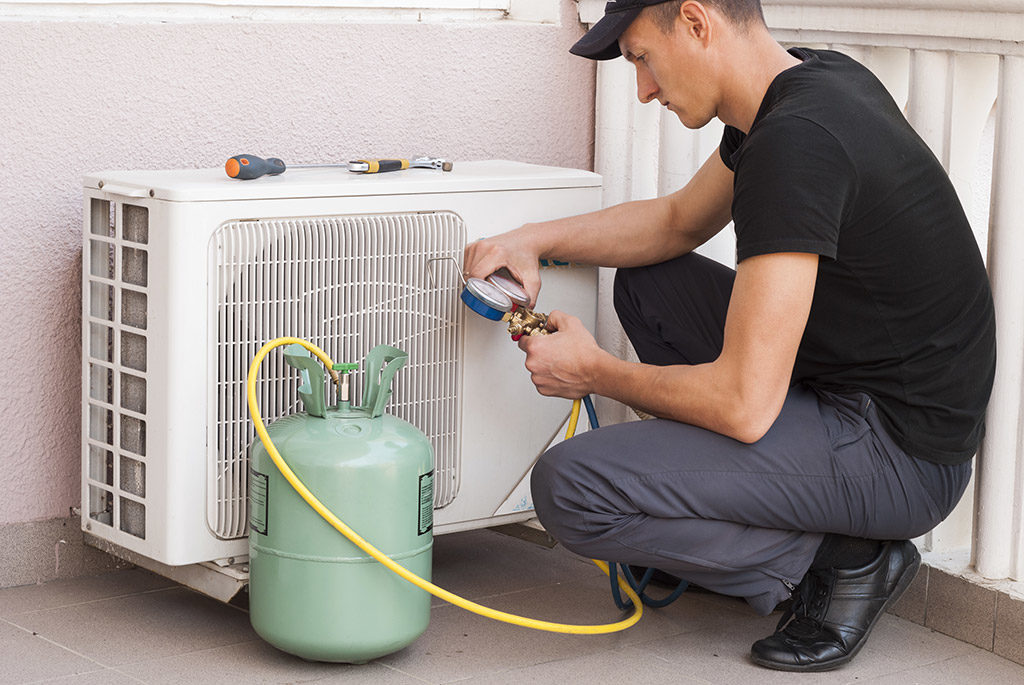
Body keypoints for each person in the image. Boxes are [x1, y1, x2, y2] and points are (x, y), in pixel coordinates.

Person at [464, 0, 996, 673]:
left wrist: (593, 370)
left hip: (901, 452)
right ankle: (762, 510)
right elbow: (677, 222)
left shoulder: (796, 142)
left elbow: (744, 405)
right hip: (848, 384)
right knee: (647, 285)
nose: (644, 89)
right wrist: (530, 240)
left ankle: (842, 558)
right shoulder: (804, 85)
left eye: (641, 59)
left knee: (570, 486)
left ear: (695, 22)